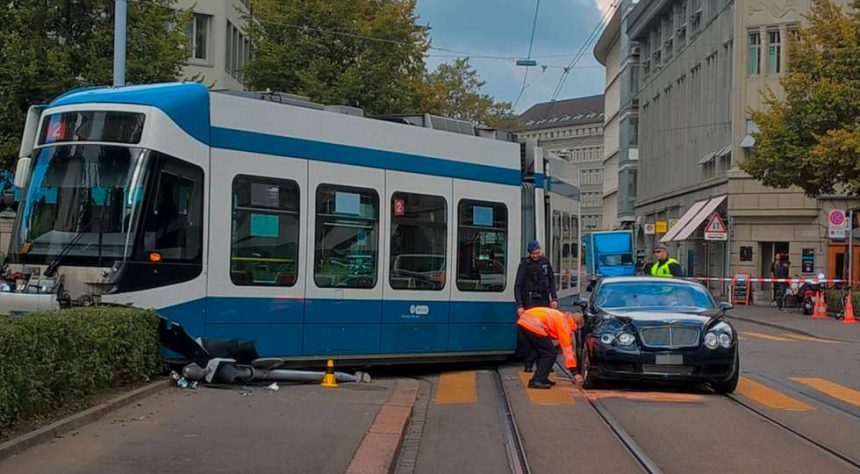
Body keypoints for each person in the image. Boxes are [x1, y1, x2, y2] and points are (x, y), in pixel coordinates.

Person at [515, 240, 558, 371]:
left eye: (537, 253)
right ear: (529, 253)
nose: (535, 255)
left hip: (543, 300)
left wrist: (554, 298)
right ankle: (528, 363)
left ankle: (542, 363)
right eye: (533, 253)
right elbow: (518, 286)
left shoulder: (545, 262)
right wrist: (520, 305)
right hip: (530, 301)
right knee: (531, 333)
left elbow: (551, 281)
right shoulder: (525, 264)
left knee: (544, 332)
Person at [517, 307, 584, 389]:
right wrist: (575, 372)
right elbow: (568, 351)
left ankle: (542, 377)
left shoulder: (562, 317)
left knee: (542, 352)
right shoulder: (566, 325)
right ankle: (537, 380)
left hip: (526, 321)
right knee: (550, 353)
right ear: (577, 324)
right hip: (534, 324)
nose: (576, 331)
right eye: (578, 328)